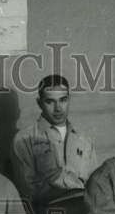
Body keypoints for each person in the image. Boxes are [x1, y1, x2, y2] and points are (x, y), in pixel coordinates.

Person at [11, 75, 97, 206]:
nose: (58, 108)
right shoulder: (23, 139)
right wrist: (78, 187)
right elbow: (29, 191)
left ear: (69, 99)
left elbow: (95, 184)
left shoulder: (84, 139)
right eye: (50, 102)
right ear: (39, 103)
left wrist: (55, 180)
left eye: (63, 100)